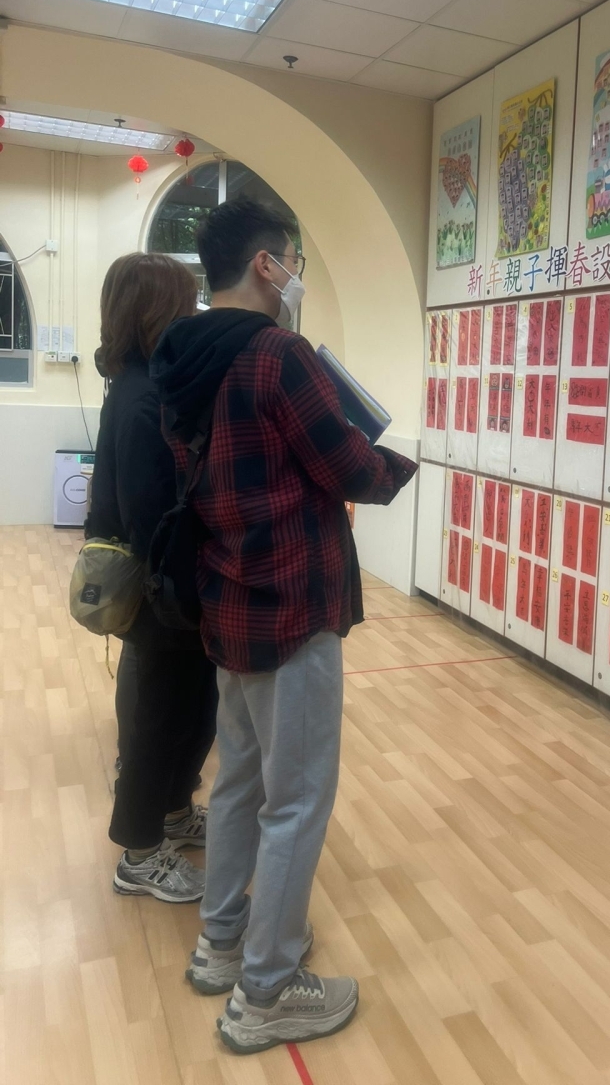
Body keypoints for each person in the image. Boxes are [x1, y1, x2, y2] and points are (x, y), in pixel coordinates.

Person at [151, 198, 417, 1054]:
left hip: (226, 603)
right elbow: (350, 469)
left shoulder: (182, 357)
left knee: (239, 782)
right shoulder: (279, 356)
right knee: (297, 799)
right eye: (292, 260)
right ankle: (265, 991)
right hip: (293, 605)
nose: (296, 273)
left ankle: (221, 943)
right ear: (267, 266)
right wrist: (396, 461)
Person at [86, 252, 218, 903]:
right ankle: (139, 853)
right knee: (159, 723)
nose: (192, 314)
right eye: (184, 303)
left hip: (173, 589)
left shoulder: (144, 384)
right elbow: (149, 515)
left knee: (194, 710)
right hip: (161, 591)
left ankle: (173, 812)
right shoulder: (141, 398)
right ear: (155, 310)